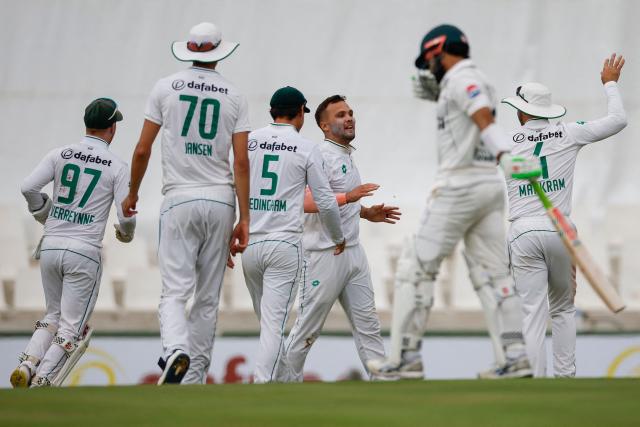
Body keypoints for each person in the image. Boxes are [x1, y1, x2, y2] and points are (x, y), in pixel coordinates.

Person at [368, 24, 538, 379]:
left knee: (415, 268)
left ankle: (404, 359)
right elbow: (470, 116)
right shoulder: (473, 81)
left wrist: (506, 153)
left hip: (459, 186)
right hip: (488, 187)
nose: (428, 69)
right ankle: (515, 355)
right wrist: (441, 95)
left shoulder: (463, 80)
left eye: (430, 61)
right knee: (494, 275)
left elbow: (481, 116)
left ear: (439, 52)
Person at [121, 22, 251, 385]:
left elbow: (143, 148)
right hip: (221, 199)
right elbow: (241, 162)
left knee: (174, 292)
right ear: (218, 51)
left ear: (190, 50)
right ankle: (193, 378)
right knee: (208, 297)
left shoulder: (165, 87)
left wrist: (132, 192)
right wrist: (245, 217)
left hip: (178, 197)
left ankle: (175, 348)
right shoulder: (234, 95)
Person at [501, 54, 627, 377]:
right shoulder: (569, 132)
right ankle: (566, 379)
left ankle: (531, 381)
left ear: (523, 111)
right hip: (560, 230)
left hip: (523, 231)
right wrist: (610, 83)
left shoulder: (505, 144)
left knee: (532, 312)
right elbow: (617, 120)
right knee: (563, 309)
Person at [11, 98, 136, 387]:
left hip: (52, 245)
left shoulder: (60, 154)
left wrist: (44, 212)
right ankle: (42, 380)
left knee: (52, 314)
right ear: (112, 128)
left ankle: (29, 364)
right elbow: (125, 212)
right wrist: (125, 234)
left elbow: (27, 187)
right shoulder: (116, 166)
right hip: (84, 250)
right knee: (71, 327)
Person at [283, 95, 401, 381]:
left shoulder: (345, 155)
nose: (348, 118)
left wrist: (365, 212)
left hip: (353, 252)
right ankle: (278, 383)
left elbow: (338, 201)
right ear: (324, 126)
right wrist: (349, 197)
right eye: (339, 115)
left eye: (350, 113)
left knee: (368, 326)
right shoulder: (320, 155)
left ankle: (383, 385)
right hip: (324, 254)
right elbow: (307, 201)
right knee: (307, 330)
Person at [239, 86, 346, 383]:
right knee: (273, 326)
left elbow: (233, 183)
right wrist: (338, 236)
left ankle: (287, 383)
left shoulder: (248, 141)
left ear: (271, 111)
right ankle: (264, 387)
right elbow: (324, 200)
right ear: (300, 112)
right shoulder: (306, 146)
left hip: (251, 243)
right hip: (284, 244)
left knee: (267, 325)